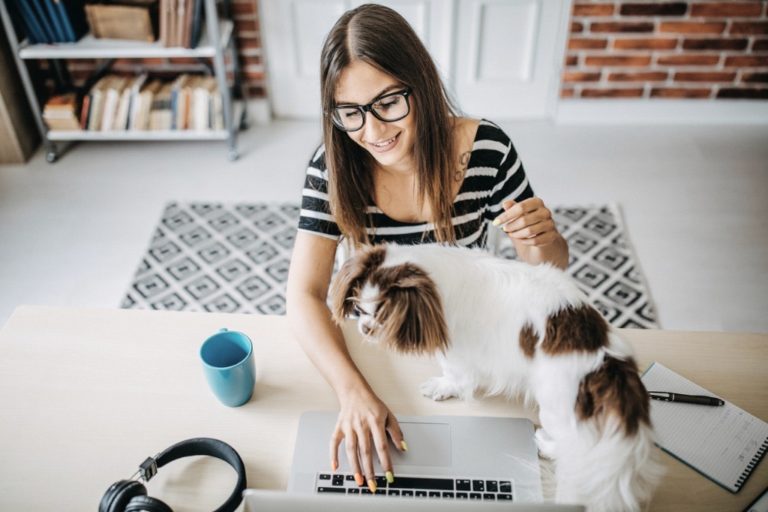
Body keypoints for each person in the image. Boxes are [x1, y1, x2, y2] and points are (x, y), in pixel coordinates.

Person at [285, 3, 568, 495]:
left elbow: (546, 275)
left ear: (420, 81)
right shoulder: (331, 166)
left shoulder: (487, 150)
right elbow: (303, 294)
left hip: (471, 347)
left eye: (389, 102)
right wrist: (352, 392)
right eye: (350, 113)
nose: (373, 132)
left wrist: (543, 242)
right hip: (379, 348)